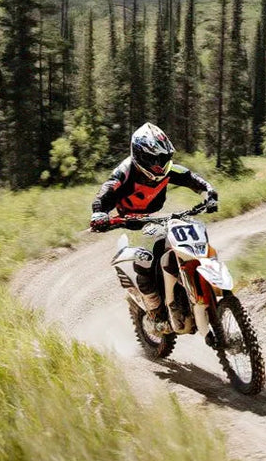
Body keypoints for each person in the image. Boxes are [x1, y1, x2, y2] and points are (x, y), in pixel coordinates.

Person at [90, 123, 218, 325]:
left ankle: (192, 288)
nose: (159, 164)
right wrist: (99, 213)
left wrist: (209, 193)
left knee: (187, 238)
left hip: (157, 217)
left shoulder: (167, 170)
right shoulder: (125, 172)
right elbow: (106, 191)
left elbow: (191, 178)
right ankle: (155, 308)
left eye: (163, 159)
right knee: (145, 258)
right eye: (154, 159)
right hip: (130, 221)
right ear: (140, 155)